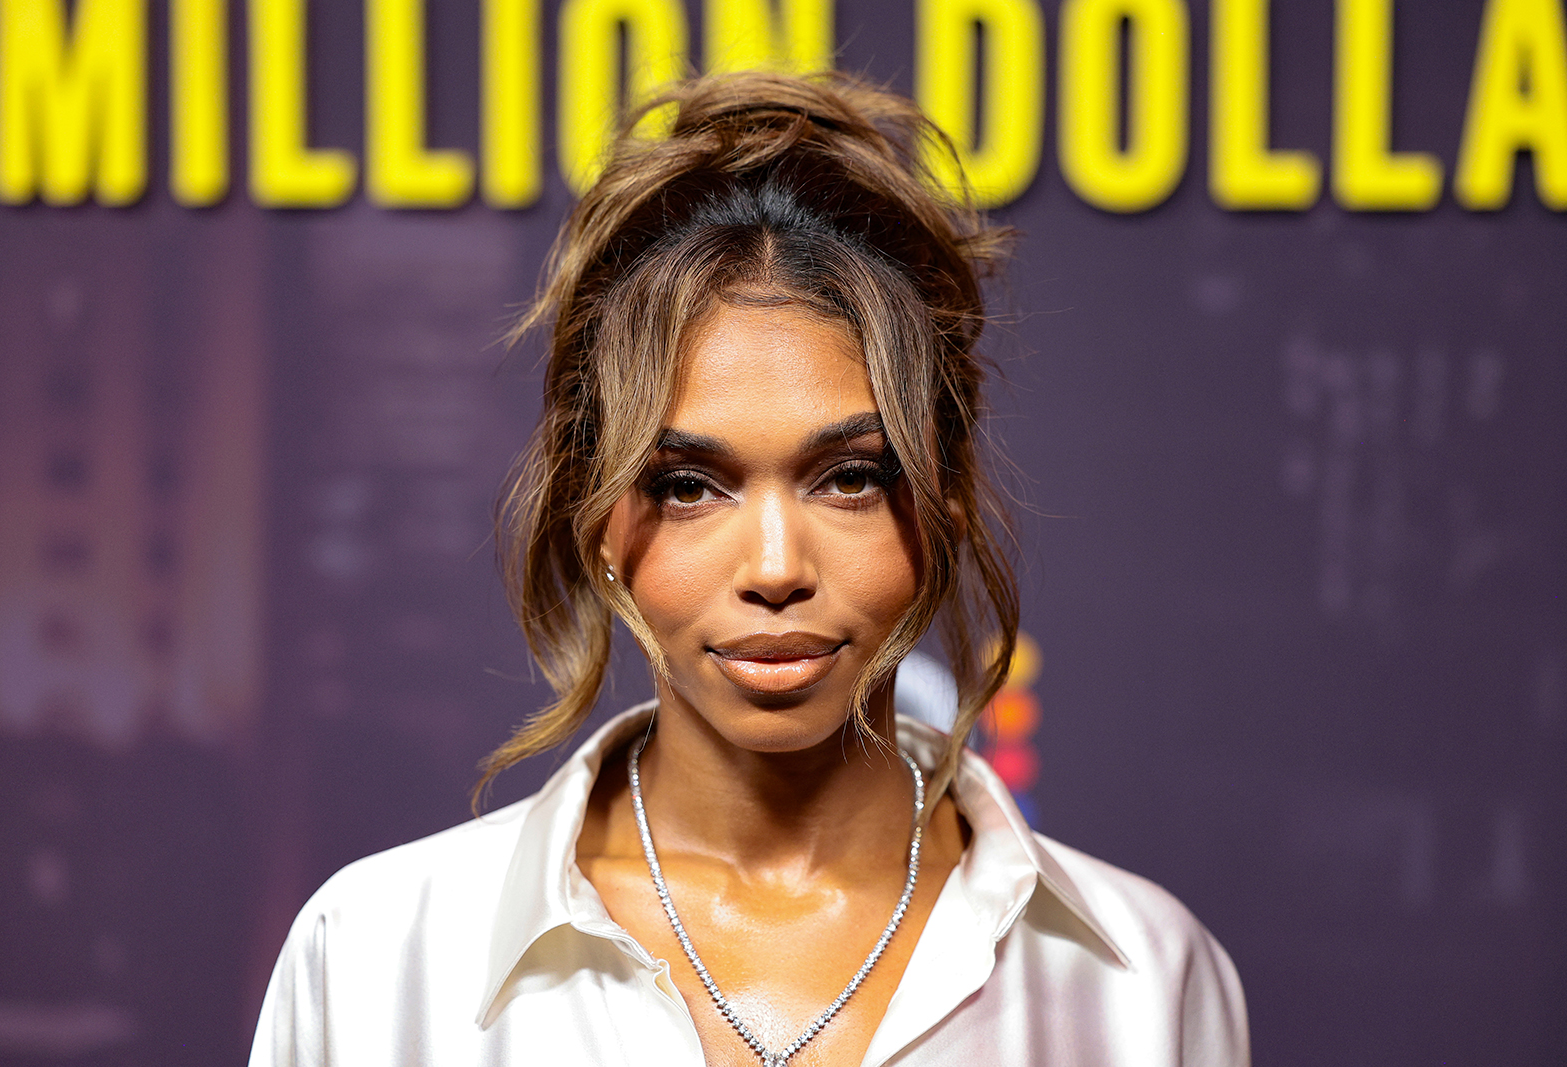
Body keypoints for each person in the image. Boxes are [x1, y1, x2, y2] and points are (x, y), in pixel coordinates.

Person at [248, 71, 1249, 1067]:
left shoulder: (1143, 982)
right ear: (597, 515)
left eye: (850, 477)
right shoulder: (379, 956)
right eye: (688, 485)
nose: (775, 567)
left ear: (946, 498)